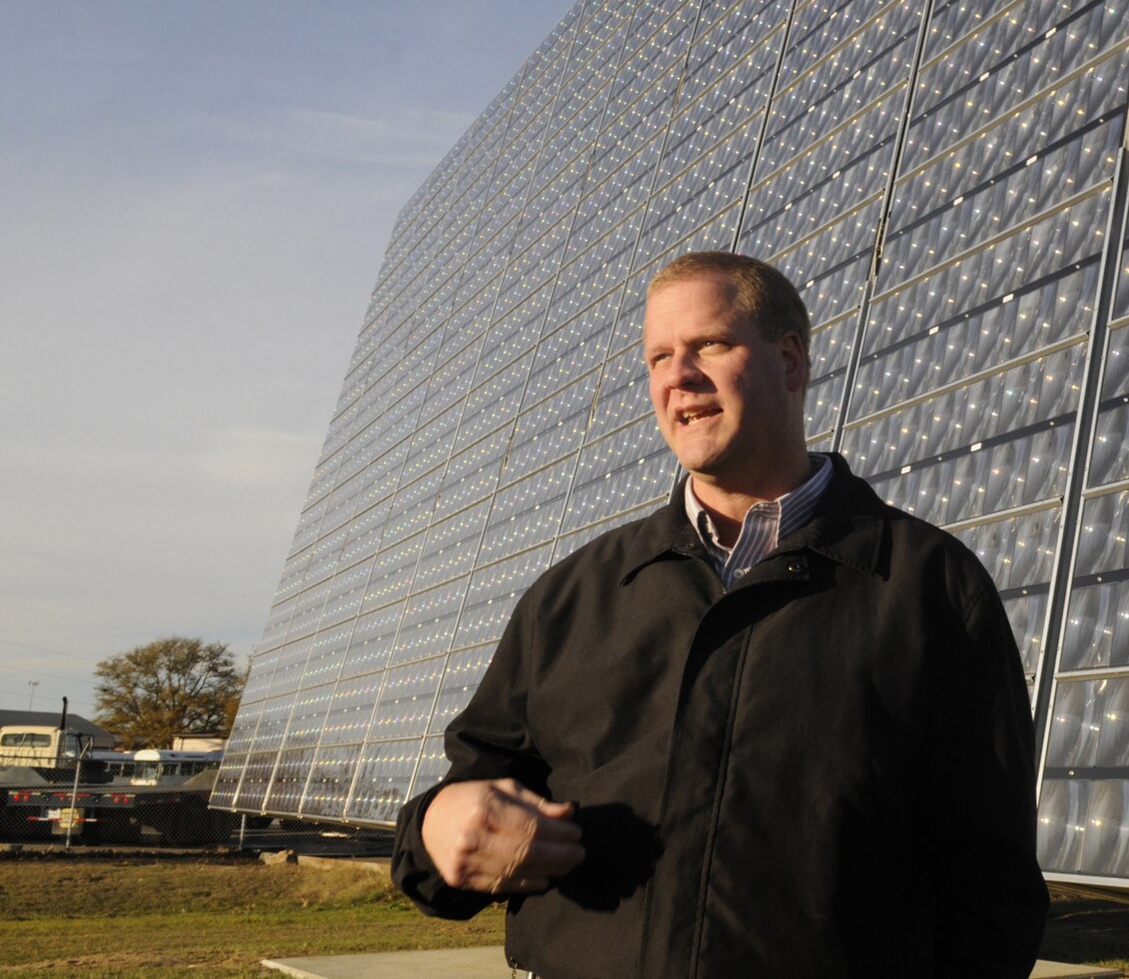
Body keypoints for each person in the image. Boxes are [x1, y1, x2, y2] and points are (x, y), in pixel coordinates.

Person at [391, 251, 1048, 978]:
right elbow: (469, 798)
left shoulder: (929, 591)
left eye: (709, 345)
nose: (678, 377)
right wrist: (435, 829)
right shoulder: (571, 599)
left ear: (791, 361)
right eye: (658, 358)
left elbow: (990, 892)